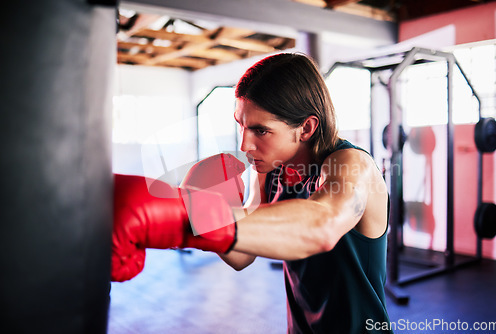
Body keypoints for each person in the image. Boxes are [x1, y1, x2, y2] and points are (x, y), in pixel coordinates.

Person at [112, 53, 392, 334]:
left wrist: (189, 214)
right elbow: (242, 255)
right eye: (242, 125)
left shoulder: (352, 166)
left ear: (306, 128)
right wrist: (200, 208)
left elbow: (322, 225)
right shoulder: (270, 170)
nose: (245, 144)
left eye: (261, 130)